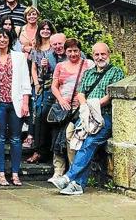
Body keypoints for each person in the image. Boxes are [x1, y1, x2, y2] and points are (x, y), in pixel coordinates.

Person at [51, 42, 124, 195]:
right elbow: (81, 92)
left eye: (103, 54)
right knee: (78, 142)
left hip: (104, 117)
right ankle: (77, 184)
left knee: (89, 142)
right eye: (96, 54)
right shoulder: (89, 73)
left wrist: (95, 105)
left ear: (108, 54)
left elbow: (110, 96)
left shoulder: (116, 72)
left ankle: (70, 178)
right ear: (93, 55)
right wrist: (85, 106)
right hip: (86, 116)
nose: (100, 57)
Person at [48, 38, 94, 182]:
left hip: (79, 108)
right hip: (63, 109)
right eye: (70, 51)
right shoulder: (60, 66)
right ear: (65, 52)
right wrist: (61, 100)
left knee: (72, 138)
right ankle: (58, 171)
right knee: (57, 139)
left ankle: (73, 171)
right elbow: (54, 86)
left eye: (75, 50)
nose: (73, 54)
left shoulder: (88, 64)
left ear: (80, 51)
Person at [0, 28, 31, 187]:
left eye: (5, 38)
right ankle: (1, 174)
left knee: (16, 139)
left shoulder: (19, 57)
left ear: (10, 40)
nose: (2, 40)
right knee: (0, 138)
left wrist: (25, 102)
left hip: (15, 102)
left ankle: (15, 173)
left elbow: (25, 81)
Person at [27, 20, 57, 164]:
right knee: (36, 113)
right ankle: (37, 148)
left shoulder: (54, 48)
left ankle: (44, 149)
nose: (45, 31)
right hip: (39, 85)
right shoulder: (36, 48)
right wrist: (36, 83)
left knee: (44, 114)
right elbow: (33, 67)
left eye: (48, 29)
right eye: (43, 29)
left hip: (52, 85)